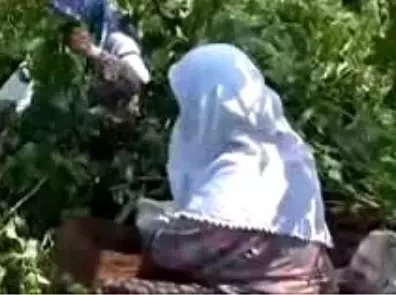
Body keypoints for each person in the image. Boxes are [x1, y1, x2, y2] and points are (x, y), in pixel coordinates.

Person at [133, 44, 336, 294]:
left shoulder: (237, 171)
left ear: (206, 106)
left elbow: (171, 252)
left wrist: (149, 224)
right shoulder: (290, 152)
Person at [49, 0, 150, 116]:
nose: (68, 34)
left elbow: (139, 82)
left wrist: (93, 51)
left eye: (73, 25)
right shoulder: (80, 60)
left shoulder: (118, 42)